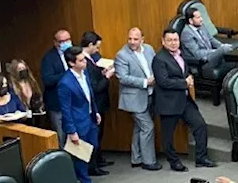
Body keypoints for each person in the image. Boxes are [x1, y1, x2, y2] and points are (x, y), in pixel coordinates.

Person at [153, 28, 215, 172]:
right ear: (163, 41)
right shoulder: (159, 59)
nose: (173, 43)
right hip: (169, 103)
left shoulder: (180, 55)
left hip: (185, 100)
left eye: (176, 40)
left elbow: (184, 72)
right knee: (168, 136)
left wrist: (190, 77)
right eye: (170, 40)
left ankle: (201, 158)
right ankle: (174, 162)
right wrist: (184, 83)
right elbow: (163, 81)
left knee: (200, 125)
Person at [113, 27, 161, 171]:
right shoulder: (122, 55)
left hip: (150, 95)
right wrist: (146, 82)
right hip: (134, 98)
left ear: (142, 39)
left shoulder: (149, 49)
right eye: (130, 39)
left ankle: (136, 158)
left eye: (135, 39)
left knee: (139, 128)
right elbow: (123, 78)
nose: (132, 42)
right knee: (148, 127)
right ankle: (148, 161)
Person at [56, 45, 101, 183]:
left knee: (93, 147)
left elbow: (90, 95)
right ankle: (85, 182)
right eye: (81, 60)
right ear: (71, 63)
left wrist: (95, 111)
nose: (85, 62)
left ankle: (83, 176)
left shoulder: (85, 74)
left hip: (90, 118)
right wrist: (71, 131)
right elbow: (66, 109)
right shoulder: (65, 83)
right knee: (80, 154)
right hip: (77, 123)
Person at [80, 31, 115, 175]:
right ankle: (92, 166)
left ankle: (98, 160)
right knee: (94, 135)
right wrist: (106, 77)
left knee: (99, 135)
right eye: (97, 47)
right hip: (96, 102)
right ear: (90, 45)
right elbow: (94, 87)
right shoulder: (85, 62)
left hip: (100, 103)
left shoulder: (91, 60)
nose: (97, 50)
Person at [180, 7, 235, 84]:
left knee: (231, 49)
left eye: (201, 16)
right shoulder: (186, 34)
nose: (201, 19)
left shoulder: (201, 26)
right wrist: (216, 51)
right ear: (190, 21)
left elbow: (211, 39)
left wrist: (221, 45)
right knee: (225, 50)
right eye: (198, 17)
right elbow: (197, 53)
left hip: (211, 55)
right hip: (204, 62)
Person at [41, 29, 74, 142]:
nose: (65, 43)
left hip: (74, 103)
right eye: (62, 41)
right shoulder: (49, 58)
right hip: (57, 104)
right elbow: (47, 80)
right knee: (61, 136)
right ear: (55, 42)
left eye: (68, 40)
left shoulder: (74, 54)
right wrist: (67, 74)